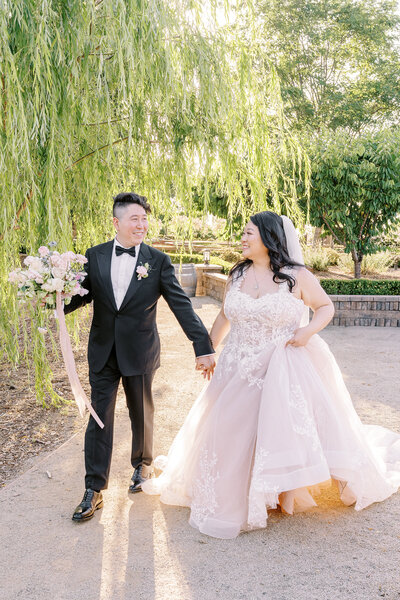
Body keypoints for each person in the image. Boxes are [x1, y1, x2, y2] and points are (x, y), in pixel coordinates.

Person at [142, 211, 400, 539]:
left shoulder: (296, 276)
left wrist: (307, 331)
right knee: (230, 429)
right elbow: (224, 316)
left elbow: (325, 307)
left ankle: (280, 489)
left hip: (281, 365)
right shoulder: (237, 274)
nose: (242, 238)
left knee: (279, 429)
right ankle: (236, 488)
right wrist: (208, 350)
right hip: (237, 365)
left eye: (248, 233)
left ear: (268, 237)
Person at [66, 192, 215, 522]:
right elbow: (81, 295)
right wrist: (53, 298)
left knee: (141, 412)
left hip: (141, 350)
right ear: (116, 222)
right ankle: (94, 489)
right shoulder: (94, 255)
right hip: (103, 351)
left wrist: (202, 345)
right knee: (99, 417)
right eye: (135, 219)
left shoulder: (157, 261)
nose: (142, 225)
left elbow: (180, 305)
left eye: (145, 219)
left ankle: (143, 465)